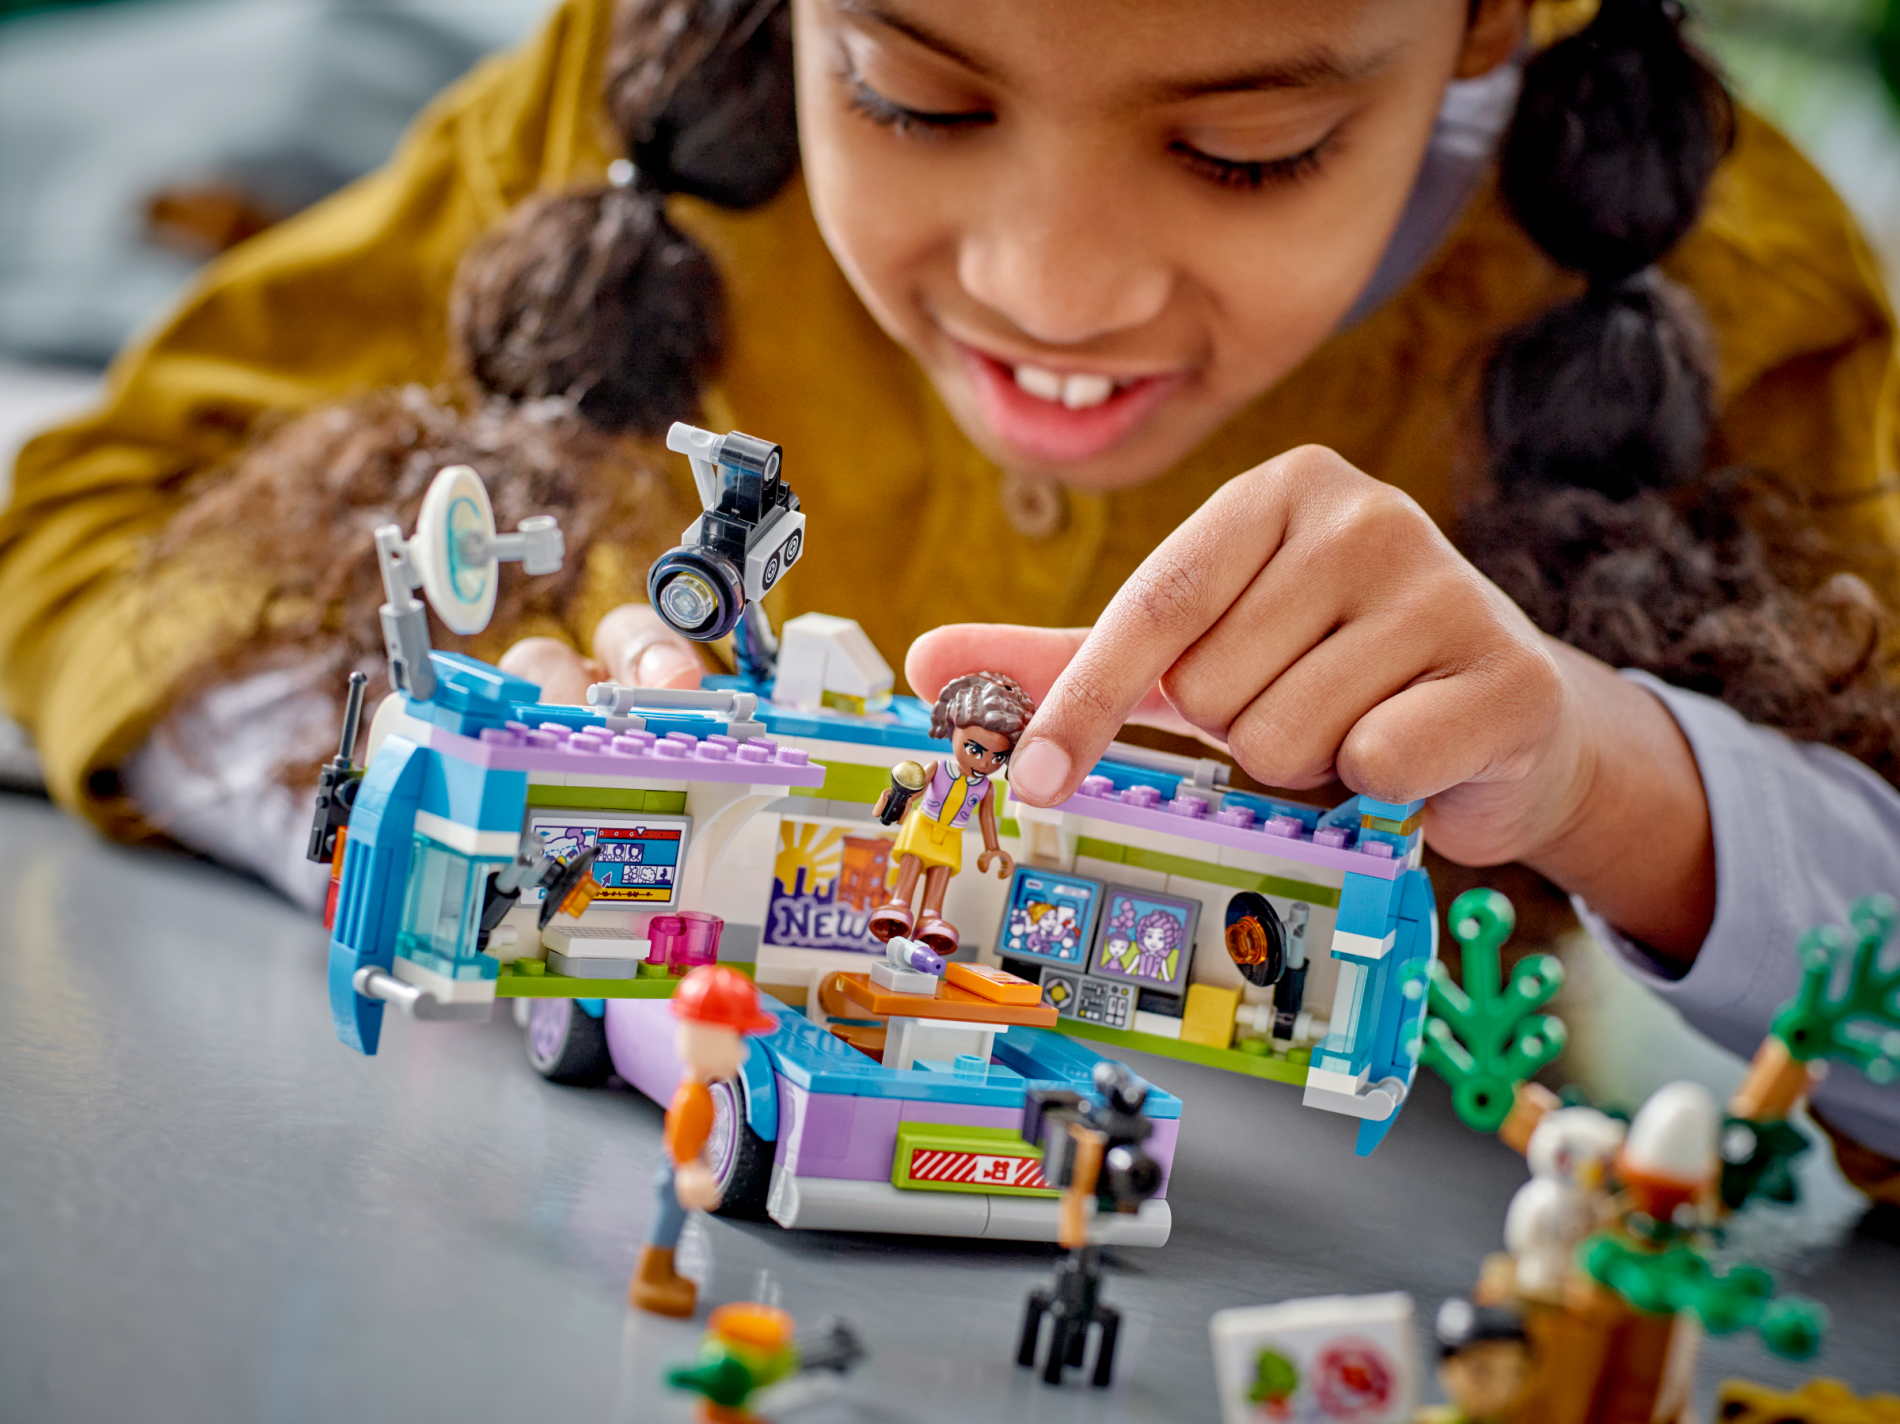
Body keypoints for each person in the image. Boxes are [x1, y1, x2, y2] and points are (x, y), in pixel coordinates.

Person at [3, 0, 1899, 1190]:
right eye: (910, 98)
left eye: (1248, 150)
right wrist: (468, 828)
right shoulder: (627, 95)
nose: (1052, 290)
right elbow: (93, 518)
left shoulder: (1738, 289)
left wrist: (1611, 776)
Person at [634, 963, 780, 1317]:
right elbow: (681, 1141)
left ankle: (665, 1273)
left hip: (682, 1169)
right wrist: (690, 1171)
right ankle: (650, 1278)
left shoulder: (699, 1092)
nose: (742, 1052)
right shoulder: (692, 1098)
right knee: (666, 1225)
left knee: (676, 1225)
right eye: (737, 1039)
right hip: (677, 1172)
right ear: (705, 1037)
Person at [868, 669, 1032, 953]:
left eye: (998, 758)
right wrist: (896, 799)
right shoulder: (938, 768)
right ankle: (899, 904)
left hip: (952, 836)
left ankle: (930, 916)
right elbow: (915, 790)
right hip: (923, 826)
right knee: (911, 864)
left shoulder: (986, 788)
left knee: (941, 873)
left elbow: (986, 818)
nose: (985, 764)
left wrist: (993, 848)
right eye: (976, 750)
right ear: (954, 729)